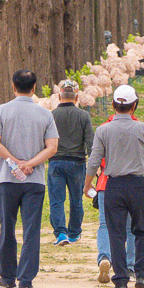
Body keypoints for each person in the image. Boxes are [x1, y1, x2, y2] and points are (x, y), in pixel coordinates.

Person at [85, 84, 144, 288]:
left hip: (113, 185)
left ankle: (120, 282)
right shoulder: (142, 128)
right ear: (134, 105)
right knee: (141, 230)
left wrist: (87, 183)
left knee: (116, 233)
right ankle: (142, 275)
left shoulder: (103, 130)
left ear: (113, 105)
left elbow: (94, 160)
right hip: (137, 184)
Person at [0, 70, 58, 288]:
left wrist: (13, 161)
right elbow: (52, 147)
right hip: (34, 181)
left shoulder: (0, 111)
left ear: (13, 86)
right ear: (34, 87)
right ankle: (26, 281)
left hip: (7, 179)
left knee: (7, 227)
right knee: (31, 229)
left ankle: (7, 278)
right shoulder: (45, 114)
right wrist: (30, 164)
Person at [48, 79, 93, 246]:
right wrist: (94, 167)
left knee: (56, 199)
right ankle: (74, 232)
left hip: (56, 162)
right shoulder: (83, 115)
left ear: (59, 96)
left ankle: (60, 233)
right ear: (77, 97)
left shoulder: (51, 116)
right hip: (77, 162)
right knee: (76, 200)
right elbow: (90, 142)